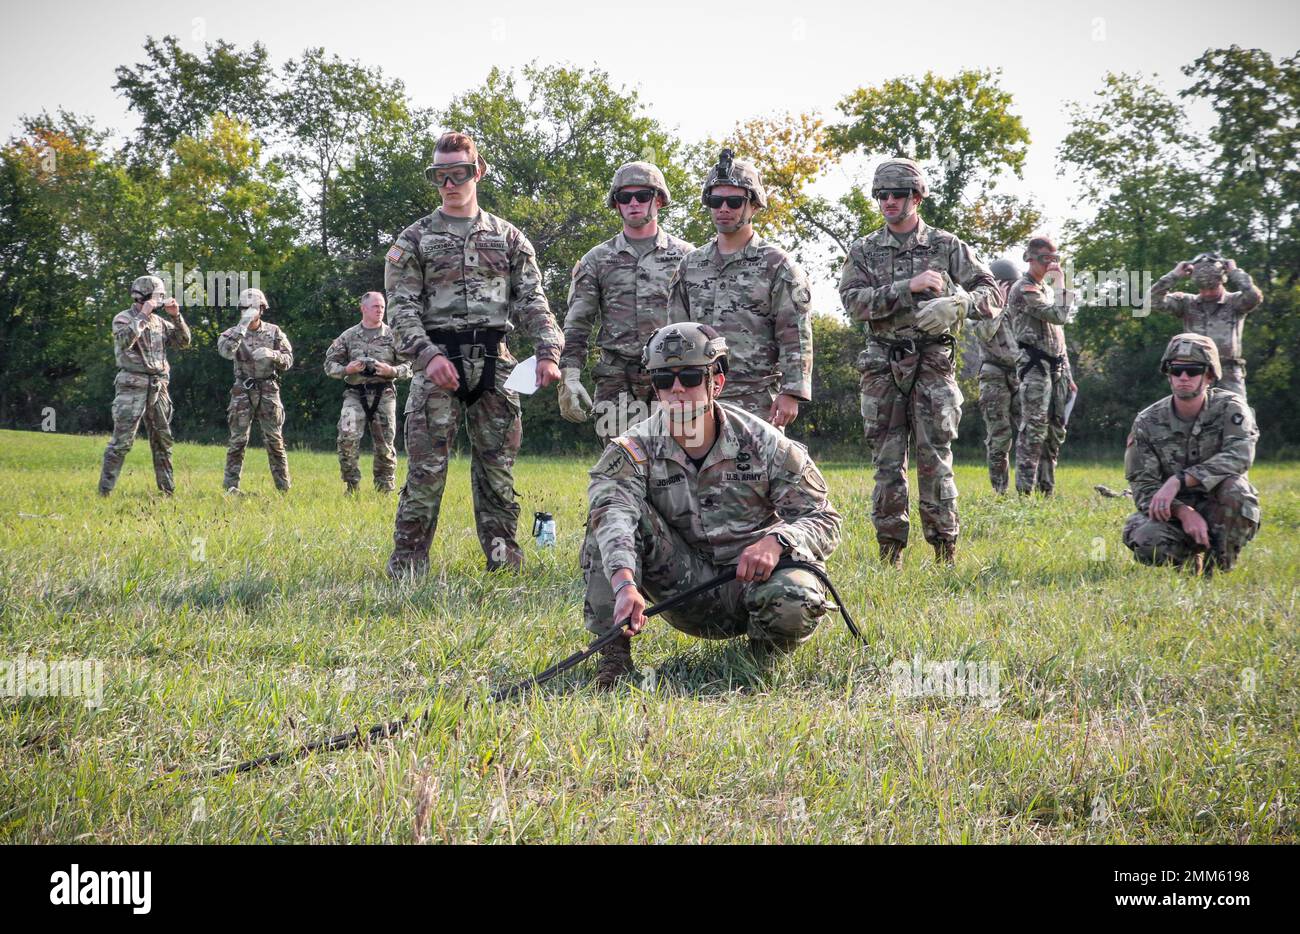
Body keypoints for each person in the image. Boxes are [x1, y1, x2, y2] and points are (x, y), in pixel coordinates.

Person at [583, 322, 841, 688]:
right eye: (663, 379)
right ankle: (613, 660)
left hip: (754, 585)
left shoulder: (764, 444)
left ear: (715, 382)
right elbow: (614, 514)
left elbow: (824, 517)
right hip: (680, 589)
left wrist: (778, 541)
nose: (676, 389)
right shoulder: (632, 449)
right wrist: (625, 584)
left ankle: (756, 662)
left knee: (797, 593)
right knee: (606, 521)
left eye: (689, 376)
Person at [384, 131, 563, 576]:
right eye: (439, 175)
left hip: (495, 365)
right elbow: (401, 308)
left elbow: (531, 299)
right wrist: (426, 356)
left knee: (497, 475)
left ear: (477, 171)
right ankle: (408, 568)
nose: (449, 183)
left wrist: (547, 350)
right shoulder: (415, 239)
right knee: (425, 476)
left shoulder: (507, 237)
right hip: (436, 362)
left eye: (458, 172)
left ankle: (504, 564)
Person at [837, 158, 1000, 566]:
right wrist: (905, 288)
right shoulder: (865, 249)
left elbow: (993, 295)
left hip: (933, 360)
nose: (888, 201)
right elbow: (853, 303)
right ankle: (889, 553)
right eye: (881, 195)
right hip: (882, 362)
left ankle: (945, 551)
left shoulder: (946, 246)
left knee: (935, 459)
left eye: (897, 194)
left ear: (917, 196)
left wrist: (961, 304)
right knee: (887, 464)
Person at [667, 149, 813, 428]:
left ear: (754, 205)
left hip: (756, 398)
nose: (723, 209)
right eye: (716, 200)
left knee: (756, 471)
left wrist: (792, 391)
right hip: (698, 394)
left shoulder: (778, 265)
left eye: (734, 201)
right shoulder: (690, 265)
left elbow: (795, 333)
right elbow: (676, 331)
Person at [559, 161, 693, 441]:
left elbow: (705, 324)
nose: (634, 203)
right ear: (616, 204)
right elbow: (577, 323)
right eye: (625, 197)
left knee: (676, 465)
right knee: (617, 466)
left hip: (673, 376)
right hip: (616, 378)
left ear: (658, 200)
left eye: (642, 196)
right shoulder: (597, 259)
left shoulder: (687, 258)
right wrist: (569, 376)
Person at [1122, 333, 1260, 574]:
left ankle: (1218, 566)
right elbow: (1143, 488)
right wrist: (1183, 512)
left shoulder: (1231, 408)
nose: (1183, 377)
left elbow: (1240, 456)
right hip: (1173, 513)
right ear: (1169, 374)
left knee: (1238, 491)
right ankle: (1185, 560)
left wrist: (1180, 479)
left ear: (1208, 375)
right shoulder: (1147, 422)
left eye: (1193, 370)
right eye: (1176, 371)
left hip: (1218, 505)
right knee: (1146, 539)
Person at [98, 275, 192, 496]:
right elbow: (124, 341)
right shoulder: (123, 318)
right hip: (132, 386)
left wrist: (176, 316)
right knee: (121, 442)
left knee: (163, 442)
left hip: (159, 387)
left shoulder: (160, 323)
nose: (160, 301)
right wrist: (142, 315)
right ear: (145, 297)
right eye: (157, 297)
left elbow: (184, 341)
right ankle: (104, 493)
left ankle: (167, 492)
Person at [1007, 236, 1077, 496]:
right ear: (1031, 259)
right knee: (1034, 429)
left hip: (1057, 368)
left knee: (1055, 429)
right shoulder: (1024, 289)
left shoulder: (1045, 290)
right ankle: (1025, 492)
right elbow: (1058, 315)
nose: (1051, 264)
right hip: (1034, 366)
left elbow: (1059, 336)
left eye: (1055, 259)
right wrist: (1061, 283)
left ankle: (1046, 489)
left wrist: (1067, 372)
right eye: (1046, 259)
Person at [324, 291, 412, 494]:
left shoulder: (393, 336)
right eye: (375, 306)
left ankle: (385, 490)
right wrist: (347, 369)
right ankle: (351, 485)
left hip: (384, 394)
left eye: (382, 306)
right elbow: (329, 365)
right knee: (346, 437)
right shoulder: (348, 336)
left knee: (385, 444)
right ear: (363, 309)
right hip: (355, 393)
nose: (380, 310)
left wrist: (392, 371)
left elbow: (410, 365)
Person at [1149, 253, 1262, 400]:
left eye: (1212, 288)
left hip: (1228, 373)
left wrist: (1235, 272)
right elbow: (1151, 300)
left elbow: (1254, 297)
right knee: (1194, 416)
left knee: (1236, 414)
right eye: (1204, 289)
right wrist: (1175, 274)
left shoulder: (1234, 302)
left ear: (1221, 280)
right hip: (1195, 372)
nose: (1208, 293)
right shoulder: (1187, 303)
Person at [217, 287, 293, 493]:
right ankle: (230, 488)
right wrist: (241, 327)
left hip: (268, 388)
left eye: (253, 307)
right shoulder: (232, 333)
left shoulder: (274, 331)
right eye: (244, 308)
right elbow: (225, 351)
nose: (248, 311)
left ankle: (283, 489)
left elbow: (288, 360)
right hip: (242, 389)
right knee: (237, 441)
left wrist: (273, 354)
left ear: (262, 308)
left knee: (274, 440)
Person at [974, 259, 1022, 493]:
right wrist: (999, 307)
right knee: (999, 437)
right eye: (1007, 285)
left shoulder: (1023, 306)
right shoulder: (981, 308)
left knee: (1030, 431)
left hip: (1022, 373)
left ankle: (1029, 488)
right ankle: (1000, 490)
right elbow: (984, 334)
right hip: (994, 375)